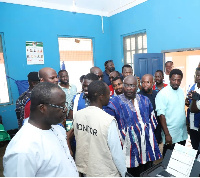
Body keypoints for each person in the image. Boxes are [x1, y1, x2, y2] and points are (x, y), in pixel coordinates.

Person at [3, 82, 78, 177]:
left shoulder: (57, 129)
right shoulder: (23, 149)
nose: (66, 109)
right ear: (42, 108)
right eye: (61, 106)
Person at [105, 75, 161, 177]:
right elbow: (109, 128)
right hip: (128, 149)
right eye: (126, 85)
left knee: (147, 172)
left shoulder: (145, 100)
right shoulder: (113, 103)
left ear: (137, 86)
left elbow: (152, 122)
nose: (129, 88)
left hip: (145, 146)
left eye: (132, 85)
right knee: (132, 173)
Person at [74, 80, 127, 177]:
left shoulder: (78, 115)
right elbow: (116, 154)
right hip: (105, 172)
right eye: (108, 94)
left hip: (85, 170)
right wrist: (124, 173)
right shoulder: (108, 120)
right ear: (101, 96)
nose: (110, 97)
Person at [155, 69, 187, 157]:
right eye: (174, 79)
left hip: (182, 133)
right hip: (171, 134)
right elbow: (161, 116)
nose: (176, 82)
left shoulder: (181, 91)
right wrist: (167, 134)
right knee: (168, 161)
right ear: (169, 79)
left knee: (179, 159)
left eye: (178, 80)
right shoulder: (162, 94)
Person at [138, 74, 161, 144]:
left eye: (148, 82)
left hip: (156, 129)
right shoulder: (138, 96)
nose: (145, 84)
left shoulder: (157, 94)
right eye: (143, 82)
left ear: (153, 83)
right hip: (144, 131)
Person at [185, 67, 200, 151]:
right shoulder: (192, 87)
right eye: (197, 75)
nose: (199, 77)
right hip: (192, 124)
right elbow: (188, 104)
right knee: (194, 147)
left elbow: (195, 109)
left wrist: (195, 99)